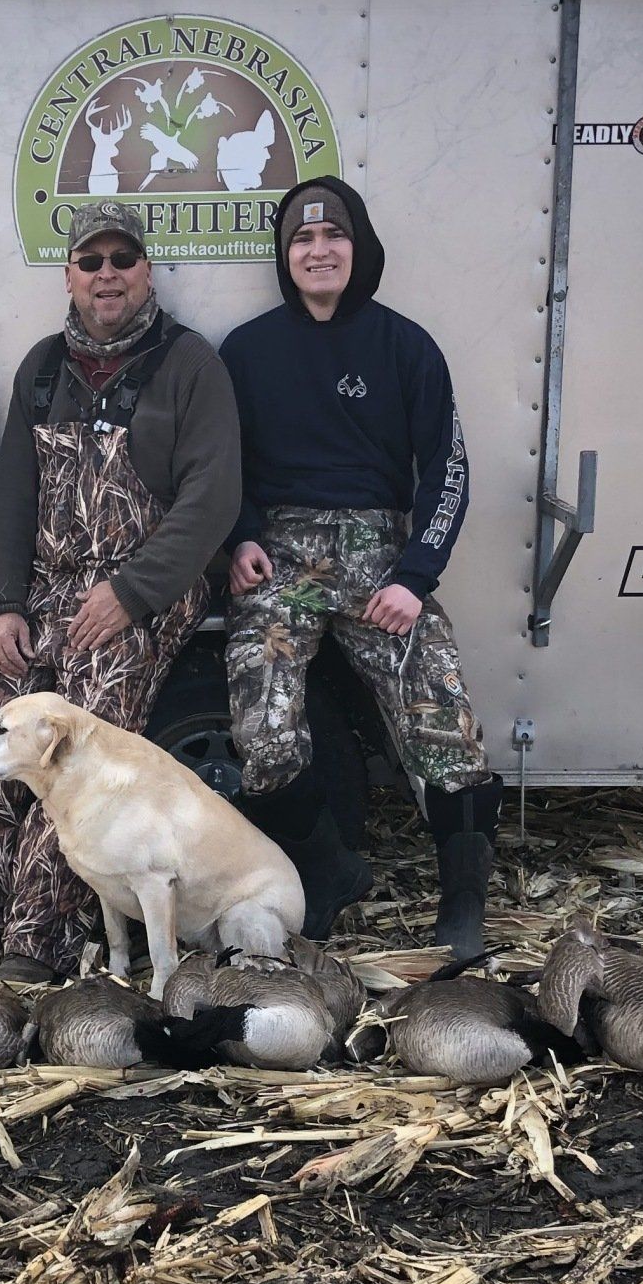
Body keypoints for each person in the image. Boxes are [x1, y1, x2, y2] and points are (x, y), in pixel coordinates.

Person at [0, 201, 242, 981]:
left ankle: (36, 941)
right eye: (91, 261)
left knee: (78, 758)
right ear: (69, 276)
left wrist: (132, 593)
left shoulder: (190, 364)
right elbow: (11, 499)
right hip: (45, 591)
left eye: (122, 260)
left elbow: (212, 498)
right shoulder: (44, 368)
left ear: (146, 272)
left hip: (140, 595)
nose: (107, 275)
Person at [219, 178, 505, 955]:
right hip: (281, 557)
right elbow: (216, 463)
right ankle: (329, 870)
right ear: (285, 256)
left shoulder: (405, 346)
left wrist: (415, 577)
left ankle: (463, 906)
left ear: (360, 247)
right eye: (302, 240)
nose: (319, 251)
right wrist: (239, 537)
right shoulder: (246, 351)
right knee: (264, 734)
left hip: (381, 559)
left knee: (442, 718)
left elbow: (446, 471)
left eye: (334, 236)